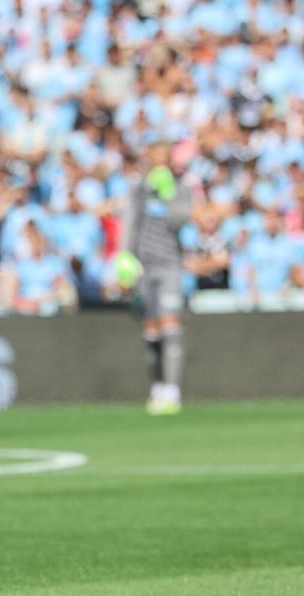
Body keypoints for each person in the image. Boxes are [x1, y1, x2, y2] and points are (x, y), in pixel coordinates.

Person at [121, 140, 192, 415]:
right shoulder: (138, 189)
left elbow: (178, 221)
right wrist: (124, 256)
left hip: (169, 265)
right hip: (144, 268)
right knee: (150, 333)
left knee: (171, 327)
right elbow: (130, 222)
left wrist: (168, 194)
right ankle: (157, 388)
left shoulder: (180, 189)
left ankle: (173, 391)